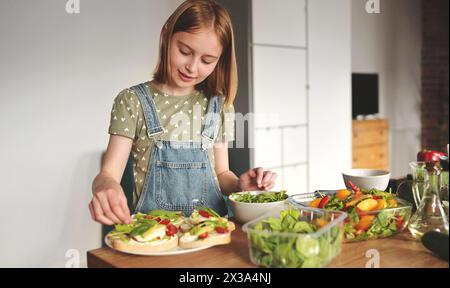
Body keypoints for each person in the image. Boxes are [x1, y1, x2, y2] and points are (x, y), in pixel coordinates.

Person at [89, 0, 277, 225]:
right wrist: (105, 186)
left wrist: (240, 187)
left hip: (211, 234)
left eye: (207, 60)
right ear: (166, 36)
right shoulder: (132, 101)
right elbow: (108, 175)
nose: (193, 67)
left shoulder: (220, 106)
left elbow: (222, 174)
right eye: (185, 51)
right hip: (155, 238)